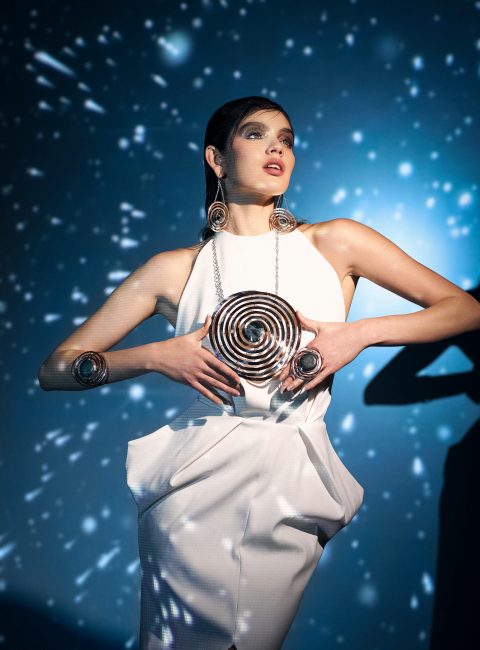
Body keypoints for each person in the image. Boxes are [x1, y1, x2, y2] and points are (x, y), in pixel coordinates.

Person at [39, 96, 480, 650]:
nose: (277, 148)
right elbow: (55, 369)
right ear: (216, 159)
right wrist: (155, 356)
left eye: (286, 140)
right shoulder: (174, 269)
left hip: (292, 473)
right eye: (255, 135)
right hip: (195, 479)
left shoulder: (336, 242)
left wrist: (360, 334)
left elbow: (465, 309)